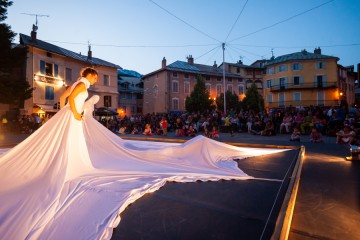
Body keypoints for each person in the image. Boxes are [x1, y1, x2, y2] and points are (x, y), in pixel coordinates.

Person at [0, 67, 279, 240]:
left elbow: (63, 99)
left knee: (67, 149)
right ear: (87, 75)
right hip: (72, 120)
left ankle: (70, 166)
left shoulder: (74, 85)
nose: (95, 79)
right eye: (94, 76)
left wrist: (72, 112)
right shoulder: (82, 86)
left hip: (67, 119)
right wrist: (77, 117)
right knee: (72, 148)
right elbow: (72, 103)